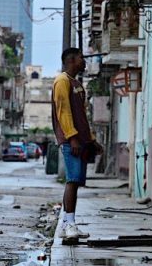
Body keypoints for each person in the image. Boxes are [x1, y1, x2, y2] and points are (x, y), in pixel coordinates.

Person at [52, 47, 103, 241]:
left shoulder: (76, 83)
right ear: (72, 60)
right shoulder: (62, 81)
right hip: (71, 141)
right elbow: (63, 111)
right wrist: (72, 137)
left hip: (81, 141)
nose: (84, 61)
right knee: (72, 181)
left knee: (76, 181)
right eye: (81, 58)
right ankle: (69, 224)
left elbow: (82, 116)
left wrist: (91, 140)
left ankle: (68, 223)